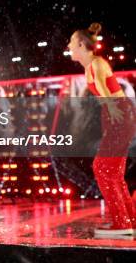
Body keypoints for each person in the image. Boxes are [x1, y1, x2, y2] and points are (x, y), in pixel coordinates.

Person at [67, 22, 136, 238]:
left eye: (71, 42)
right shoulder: (91, 66)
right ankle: (129, 221)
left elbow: (106, 92)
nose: (68, 46)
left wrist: (114, 112)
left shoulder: (96, 64)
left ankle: (123, 224)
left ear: (80, 44)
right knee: (113, 172)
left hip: (118, 114)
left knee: (102, 168)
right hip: (117, 116)